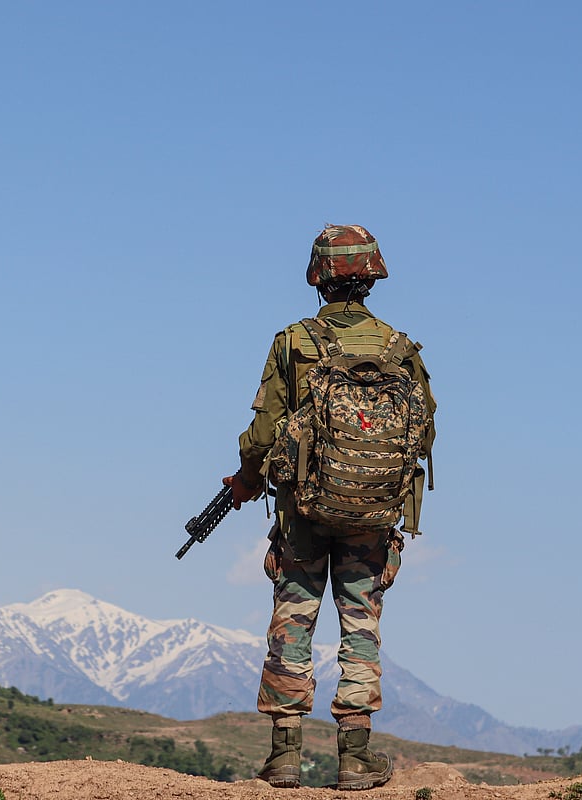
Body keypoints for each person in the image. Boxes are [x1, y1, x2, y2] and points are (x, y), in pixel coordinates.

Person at [222, 224, 436, 790]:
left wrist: (245, 479)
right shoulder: (400, 348)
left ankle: (285, 757)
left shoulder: (296, 342)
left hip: (302, 512)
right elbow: (425, 436)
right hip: (373, 514)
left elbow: (265, 429)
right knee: (360, 624)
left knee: (294, 618)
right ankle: (356, 758)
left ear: (318, 275)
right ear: (372, 276)